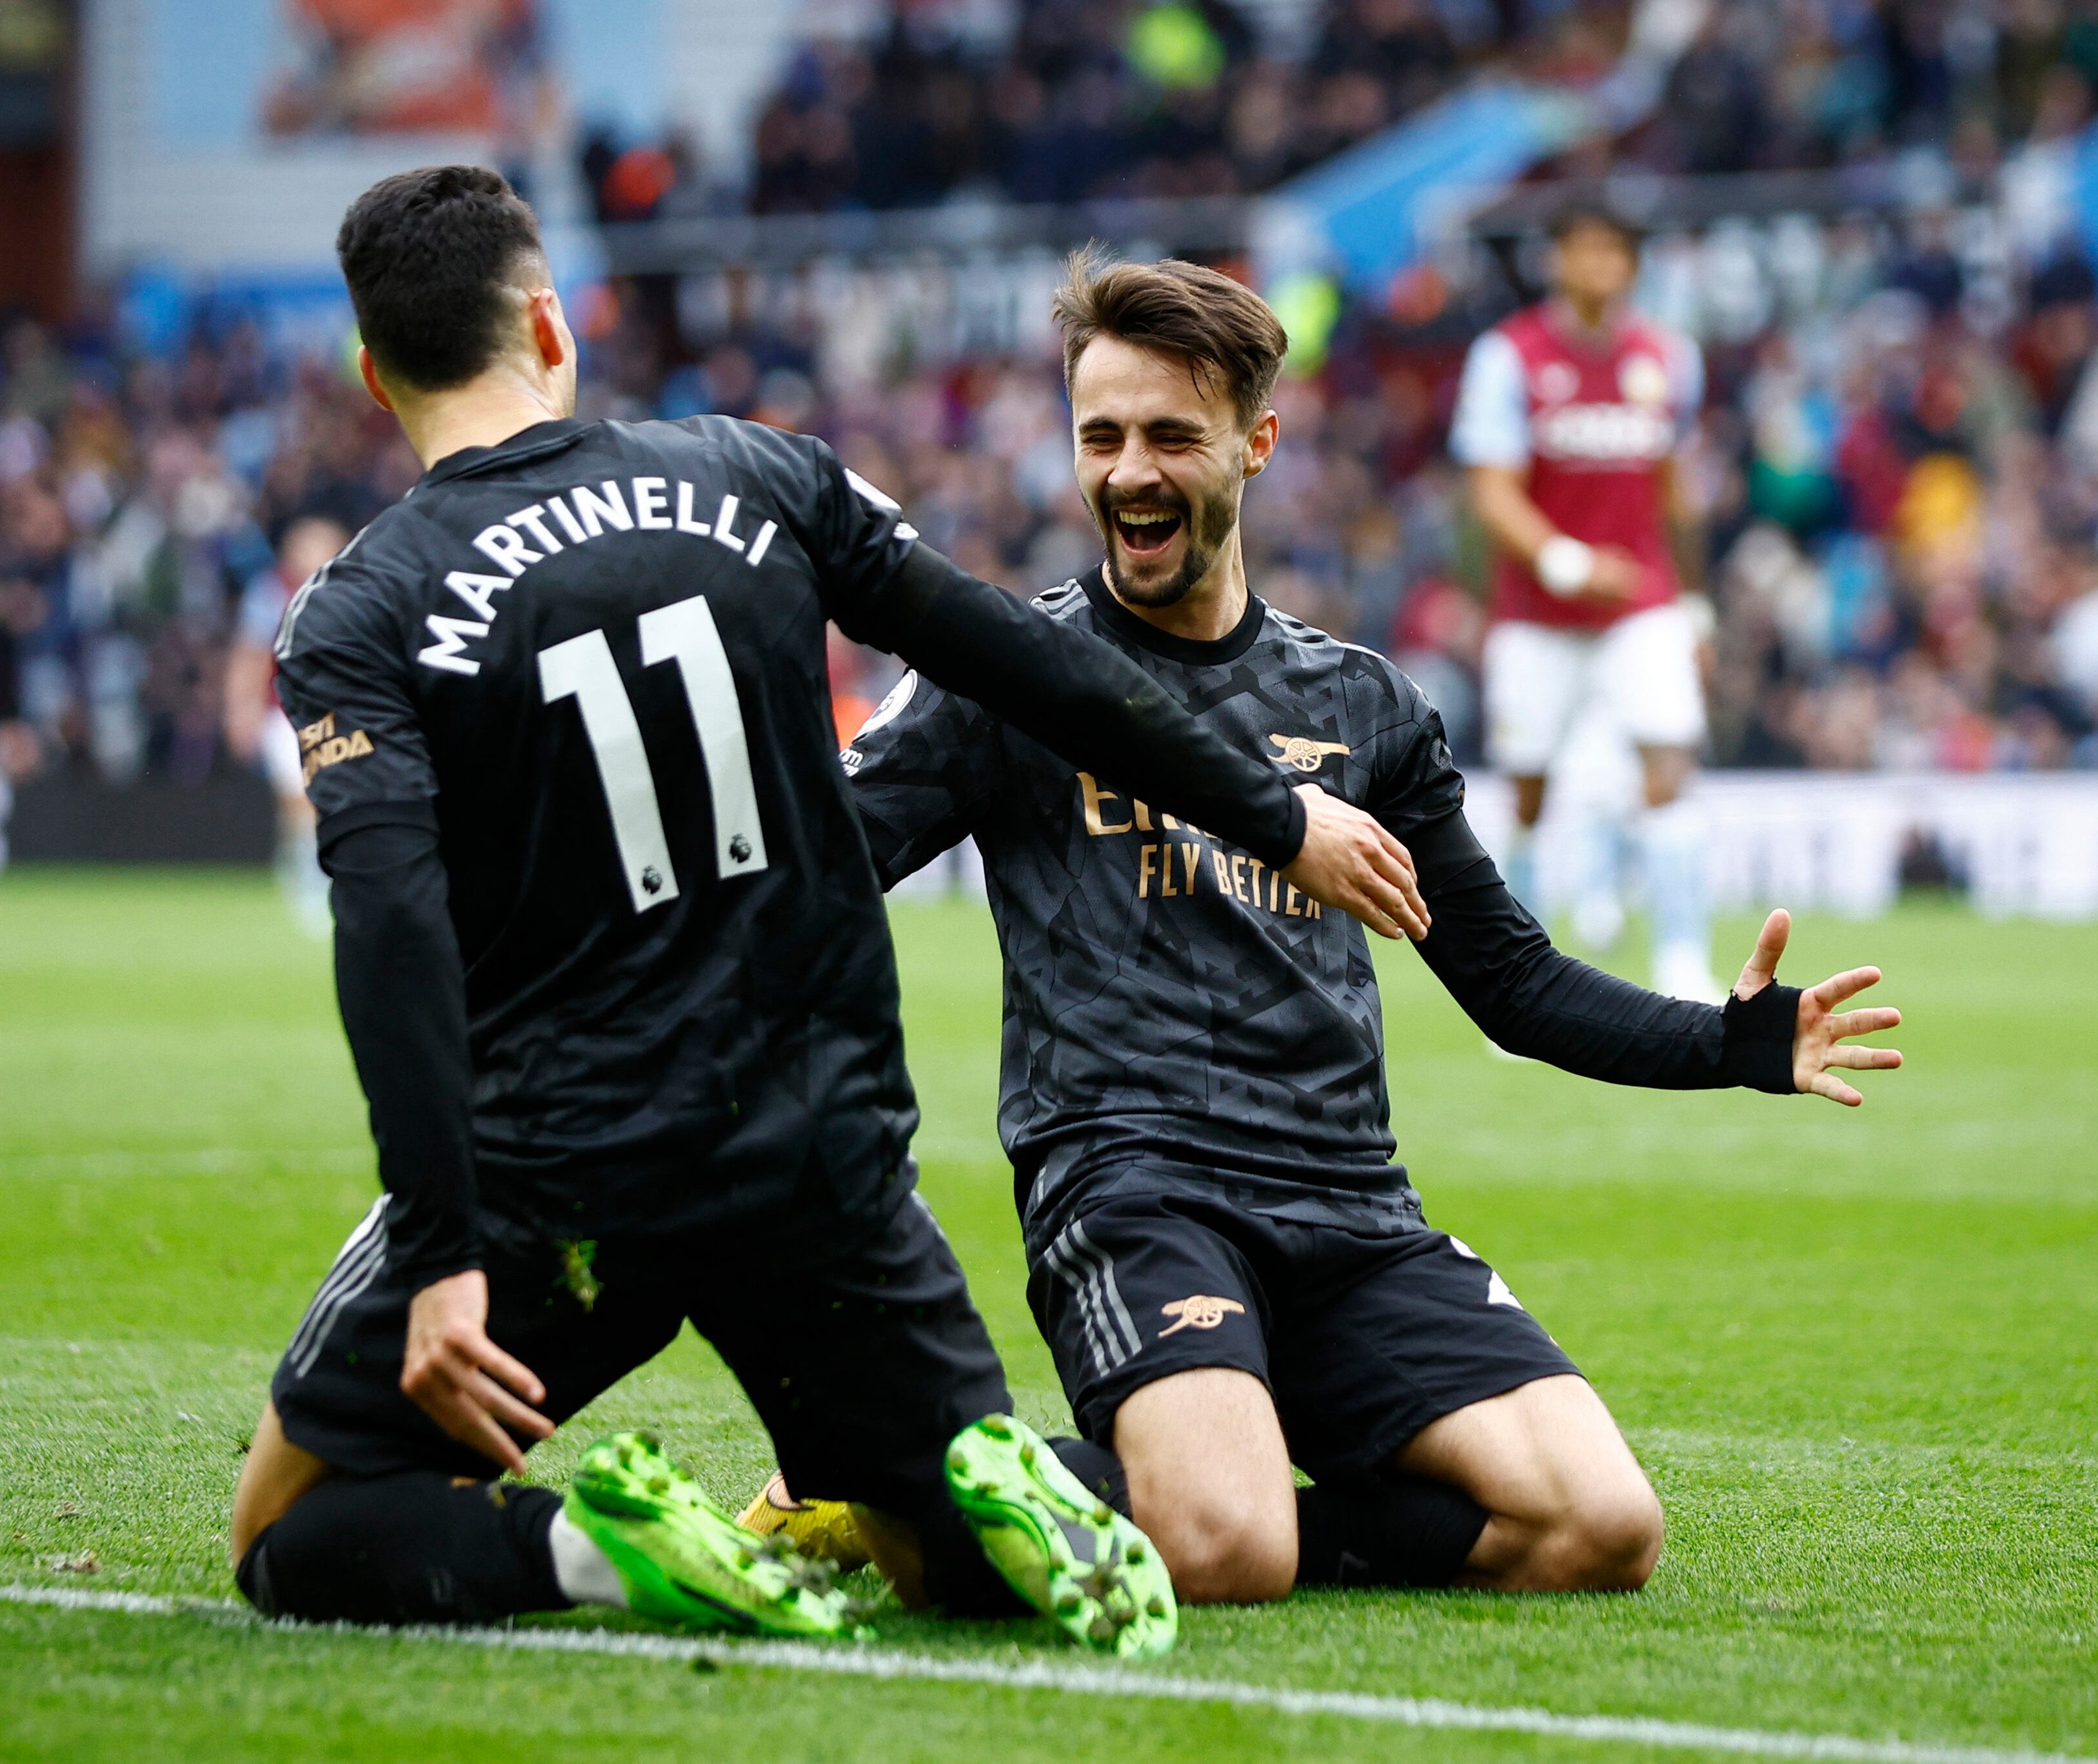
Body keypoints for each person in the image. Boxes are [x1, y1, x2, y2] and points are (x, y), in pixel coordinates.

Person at [223, 167, 1432, 1656]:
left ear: (371, 370)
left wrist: (439, 1247)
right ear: (551, 321)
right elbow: (1025, 662)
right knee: (924, 1546)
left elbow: (392, 926)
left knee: (288, 1520)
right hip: (817, 1146)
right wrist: (1276, 812)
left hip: (568, 1154)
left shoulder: (361, 608)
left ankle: (600, 1554)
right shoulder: (756, 472)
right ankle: (951, 1482)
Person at [765, 252, 1901, 1605]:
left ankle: (1185, 1487)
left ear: (1257, 442)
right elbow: (811, 866)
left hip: (1349, 1206)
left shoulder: (1360, 703)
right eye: (1101, 435)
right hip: (1136, 1184)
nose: (1129, 471)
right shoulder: (1008, 671)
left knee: (1600, 1527)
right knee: (1223, 1548)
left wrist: (1731, 1045)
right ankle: (881, 1463)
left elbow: (1511, 982)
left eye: (1171, 435)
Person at [1453, 200, 1720, 1000]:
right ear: (1558, 261)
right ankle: (1519, 981)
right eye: (1584, 251)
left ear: (1632, 266)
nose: (1599, 266)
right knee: (1530, 790)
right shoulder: (1509, 357)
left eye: (1614, 251)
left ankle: (1682, 963)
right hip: (1538, 613)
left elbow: (1676, 491)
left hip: (1643, 604)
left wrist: (1697, 603)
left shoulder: (1669, 358)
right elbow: (1491, 493)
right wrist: (1565, 562)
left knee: (1668, 763)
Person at [225, 514, 351, 938]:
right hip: (285, 711)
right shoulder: (271, 592)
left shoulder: (353, 587)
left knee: (331, 799)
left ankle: (318, 874)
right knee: (301, 801)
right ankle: (308, 883)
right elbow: (251, 653)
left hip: (340, 711)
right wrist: (241, 709)